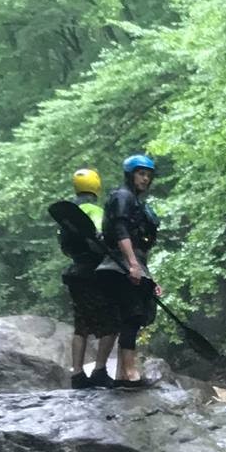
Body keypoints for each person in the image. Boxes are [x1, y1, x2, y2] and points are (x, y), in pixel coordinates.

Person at [98, 153, 163, 388]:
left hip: (129, 263)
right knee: (131, 315)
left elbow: (139, 243)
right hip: (120, 265)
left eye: (148, 175)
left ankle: (122, 375)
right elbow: (120, 230)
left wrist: (148, 276)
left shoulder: (134, 201)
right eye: (140, 174)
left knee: (132, 316)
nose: (145, 179)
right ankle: (129, 372)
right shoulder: (123, 196)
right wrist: (133, 265)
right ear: (130, 175)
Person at [60, 168, 117, 388]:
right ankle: (100, 370)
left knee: (81, 325)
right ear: (96, 186)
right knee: (112, 322)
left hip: (75, 272)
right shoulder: (94, 210)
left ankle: (77, 373)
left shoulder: (67, 216)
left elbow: (65, 247)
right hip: (96, 273)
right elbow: (104, 239)